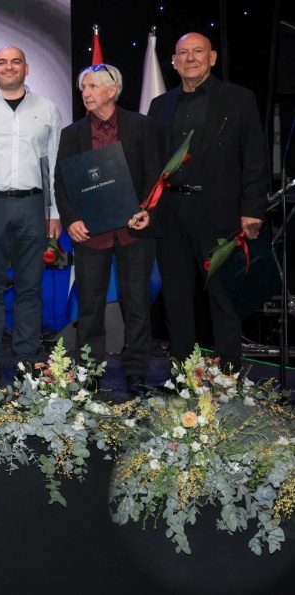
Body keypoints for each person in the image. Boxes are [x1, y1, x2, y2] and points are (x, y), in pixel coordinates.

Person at [147, 32, 266, 369]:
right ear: (173, 62)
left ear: (212, 58)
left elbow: (254, 158)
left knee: (223, 296)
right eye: (183, 53)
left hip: (221, 214)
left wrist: (252, 209)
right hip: (171, 214)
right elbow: (151, 163)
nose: (190, 58)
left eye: (198, 51)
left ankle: (229, 372)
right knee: (176, 298)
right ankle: (183, 372)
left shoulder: (239, 99)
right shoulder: (159, 105)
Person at [55, 65, 157, 396]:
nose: (85, 92)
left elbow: (155, 175)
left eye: (92, 86)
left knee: (137, 303)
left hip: (133, 230)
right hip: (90, 233)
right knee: (90, 305)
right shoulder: (72, 133)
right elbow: (61, 183)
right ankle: (89, 370)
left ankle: (136, 372)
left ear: (112, 90)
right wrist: (71, 220)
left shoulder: (141, 126)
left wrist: (147, 211)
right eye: (83, 87)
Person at [0, 46, 64, 384]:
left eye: (15, 62)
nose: (8, 67)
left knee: (30, 287)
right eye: (2, 62)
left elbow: (53, 164)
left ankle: (26, 359)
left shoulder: (48, 109)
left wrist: (53, 211)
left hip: (33, 206)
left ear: (27, 68)